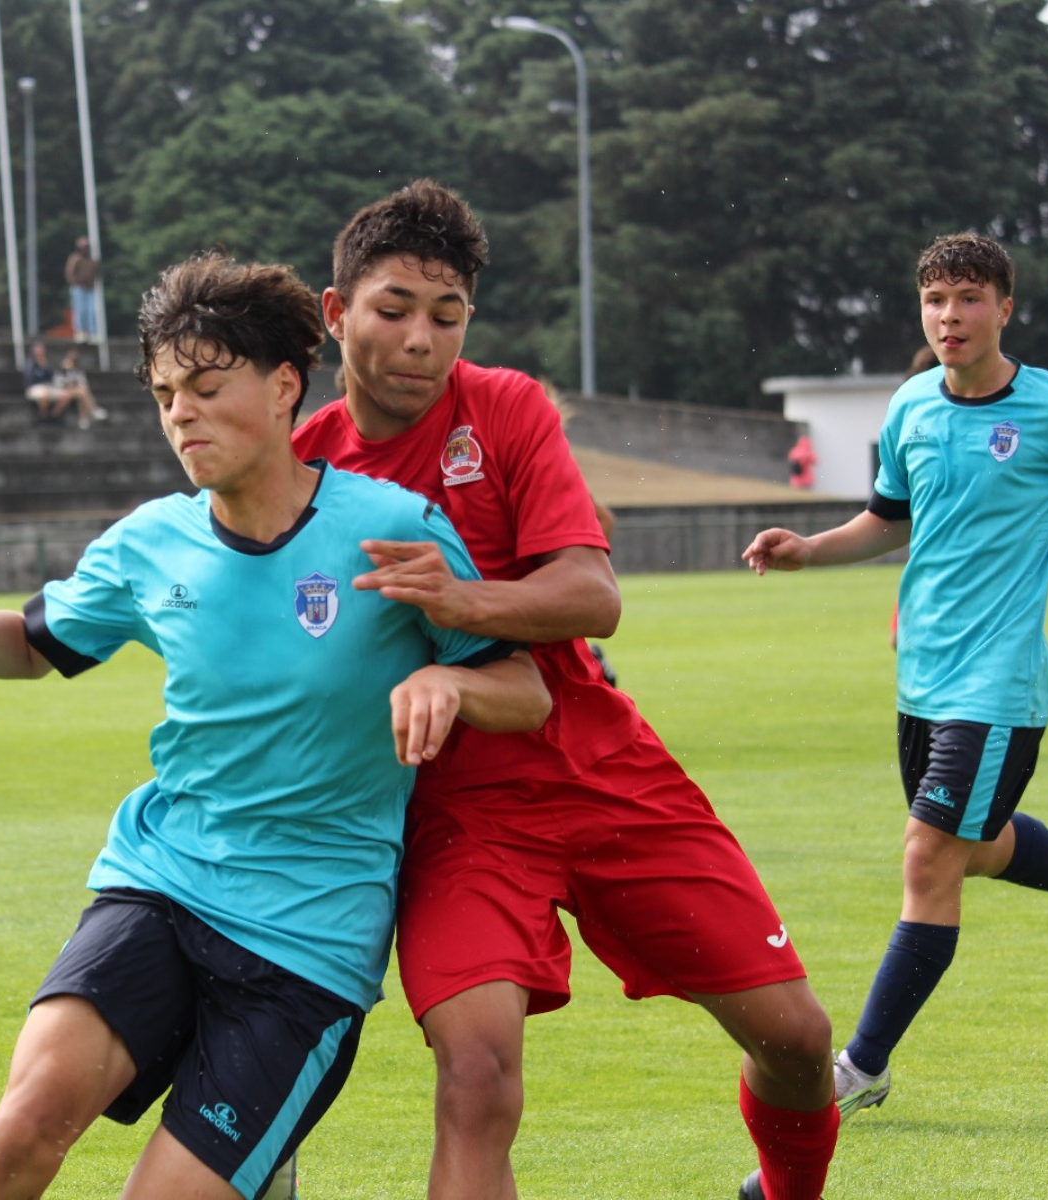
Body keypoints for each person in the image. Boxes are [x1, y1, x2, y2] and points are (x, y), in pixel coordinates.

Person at [0, 252, 551, 1200]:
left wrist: (449, 680)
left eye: (205, 386)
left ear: (281, 387)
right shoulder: (149, 543)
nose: (180, 413)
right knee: (23, 1129)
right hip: (159, 887)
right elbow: (30, 646)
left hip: (305, 948)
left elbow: (528, 688)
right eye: (163, 394)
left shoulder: (391, 524)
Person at [289, 180, 837, 1200]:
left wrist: (459, 599)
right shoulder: (299, 467)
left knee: (800, 1040)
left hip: (600, 764)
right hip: (455, 810)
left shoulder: (505, 408)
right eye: (394, 309)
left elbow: (593, 594)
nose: (421, 340)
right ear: (336, 313)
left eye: (447, 317)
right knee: (479, 1072)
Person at [742, 232, 1048, 1130]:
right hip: (923, 678)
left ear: (1005, 308)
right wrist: (810, 552)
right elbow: (886, 520)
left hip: (1000, 683)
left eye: (969, 299)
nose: (951, 317)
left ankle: (862, 1065)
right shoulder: (911, 406)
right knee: (973, 845)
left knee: (928, 856)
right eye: (936, 301)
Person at [55, 348, 109, 430]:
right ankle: (93, 410)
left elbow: (84, 384)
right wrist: (69, 386)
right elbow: (58, 384)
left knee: (82, 395)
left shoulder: (78, 371)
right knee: (82, 392)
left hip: (76, 392)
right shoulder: (60, 371)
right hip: (63, 392)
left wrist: (74, 386)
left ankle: (83, 419)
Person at [23, 342, 71, 422]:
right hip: (34, 387)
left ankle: (54, 415)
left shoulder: (47, 362)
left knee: (66, 395)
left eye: (42, 351)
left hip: (49, 386)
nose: (40, 353)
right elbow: (30, 378)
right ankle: (43, 415)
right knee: (45, 394)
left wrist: (45, 367)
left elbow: (53, 377)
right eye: (38, 351)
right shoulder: (30, 363)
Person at [65, 235, 99, 344]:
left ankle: (92, 332)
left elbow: (96, 273)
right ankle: (80, 332)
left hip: (89, 288)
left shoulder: (91, 261)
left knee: (91, 311)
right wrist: (78, 282)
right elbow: (70, 274)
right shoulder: (75, 259)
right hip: (79, 288)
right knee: (80, 311)